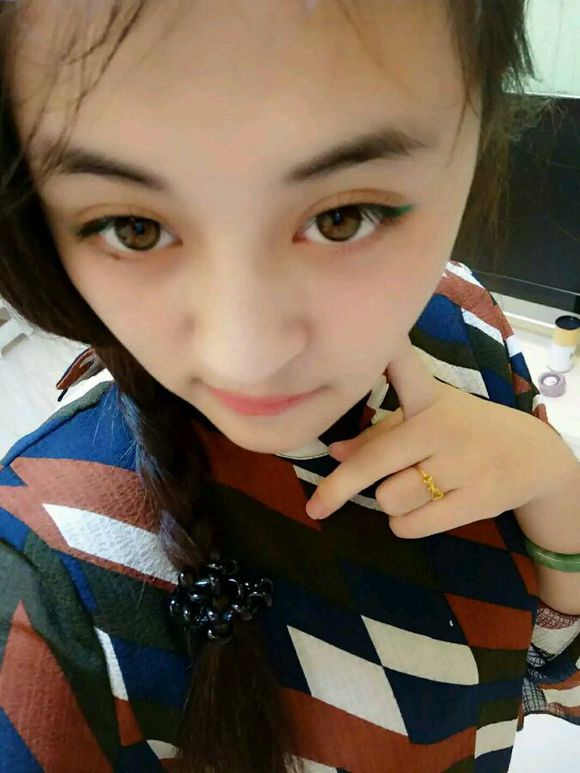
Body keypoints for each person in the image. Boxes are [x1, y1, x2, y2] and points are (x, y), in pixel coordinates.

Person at [0, 1, 578, 771]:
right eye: (133, 228)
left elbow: (553, 685)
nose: (246, 356)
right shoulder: (47, 584)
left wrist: (557, 491)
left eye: (344, 217)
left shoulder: (467, 326)